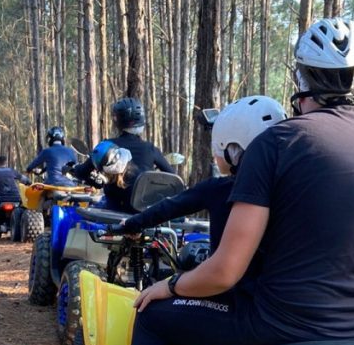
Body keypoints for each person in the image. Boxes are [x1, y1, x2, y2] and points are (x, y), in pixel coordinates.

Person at [128, 16, 354, 345]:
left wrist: (170, 285)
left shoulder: (277, 142)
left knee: (153, 316)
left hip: (286, 323)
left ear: (301, 77)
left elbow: (225, 272)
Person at [117, 95, 287, 253]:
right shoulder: (290, 188)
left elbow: (171, 206)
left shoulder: (217, 190)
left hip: (224, 282)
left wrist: (133, 224)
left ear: (231, 147)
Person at [68, 97, 172, 211]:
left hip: (113, 211)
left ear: (117, 120)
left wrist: (72, 168)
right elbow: (173, 177)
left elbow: (82, 172)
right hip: (143, 214)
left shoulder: (107, 146)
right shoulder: (151, 149)